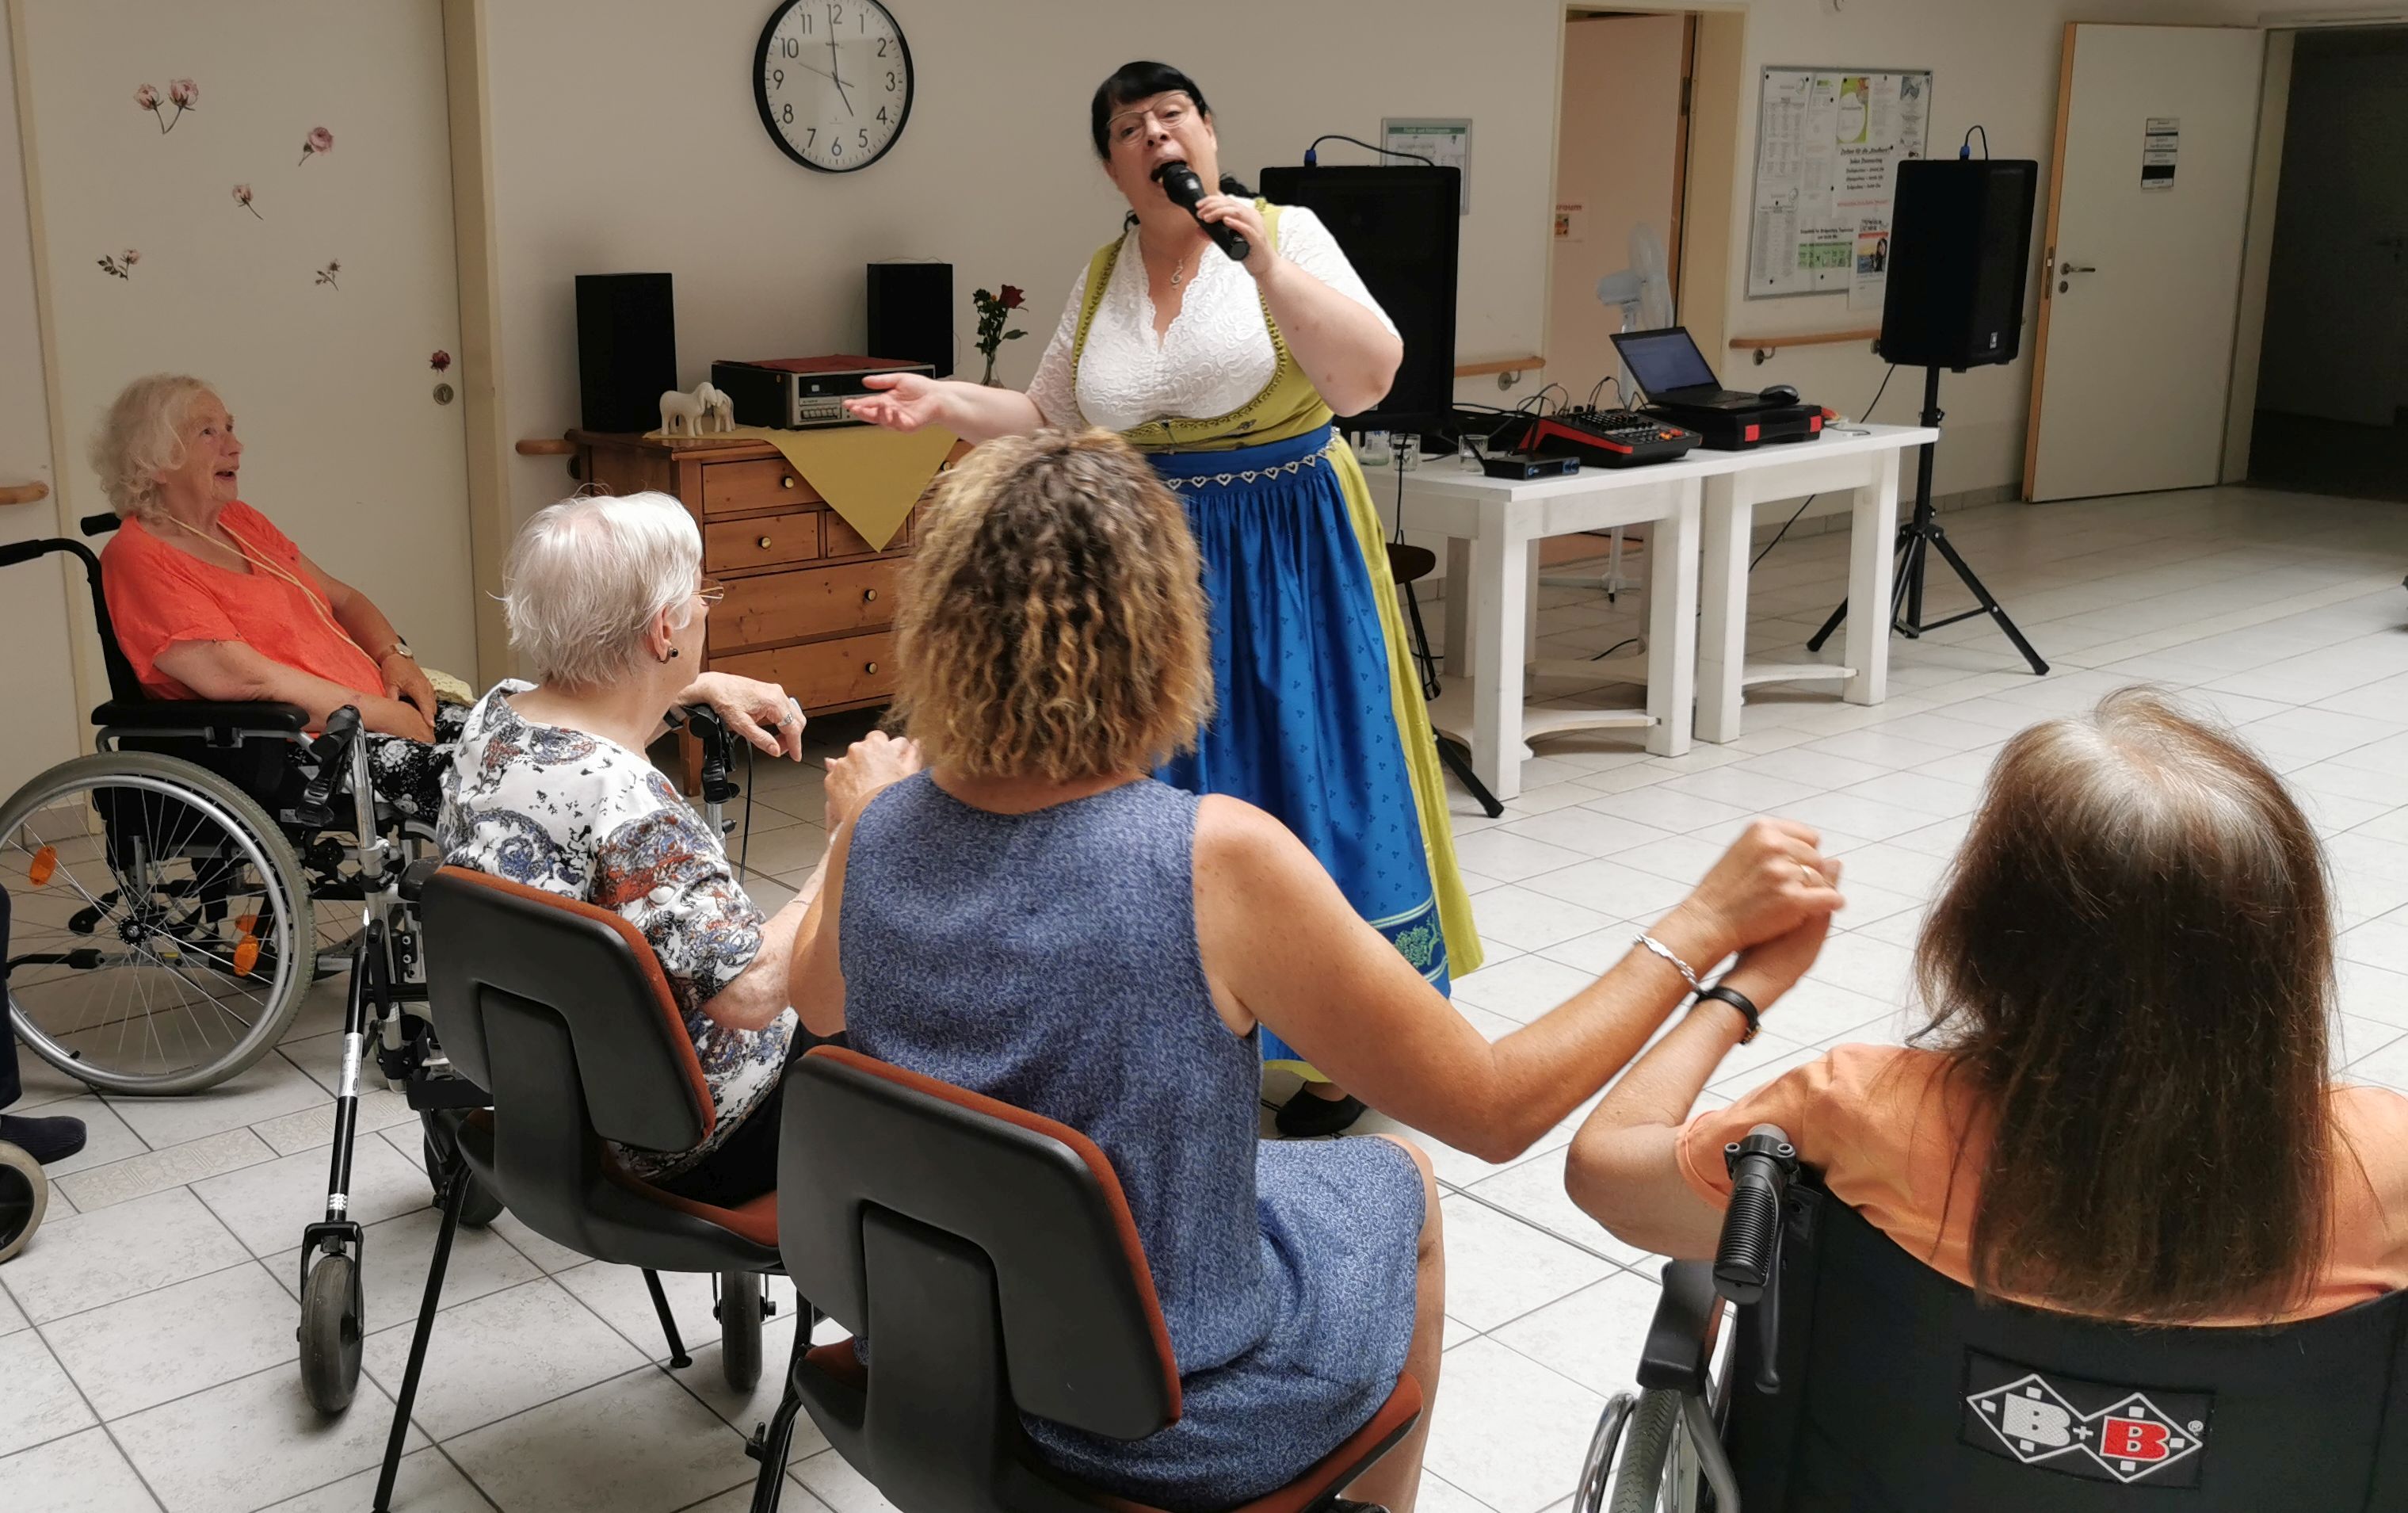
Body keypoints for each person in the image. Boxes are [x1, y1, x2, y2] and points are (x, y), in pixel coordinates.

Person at [788, 430, 1842, 1513]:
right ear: (1164, 628)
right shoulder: (1211, 859)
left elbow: (816, 1002)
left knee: (1315, 1177)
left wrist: (857, 828)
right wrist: (1702, 924)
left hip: (932, 1364)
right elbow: (1493, 1110)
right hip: (1164, 1418)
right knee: (1404, 1179)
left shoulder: (877, 830)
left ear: (938, 625)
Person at [845, 62, 1476, 1137]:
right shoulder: (1104, 274)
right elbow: (1048, 415)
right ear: (1112, 168)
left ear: (1209, 134)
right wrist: (940, 400)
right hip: (1148, 563)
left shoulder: (1284, 234)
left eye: (1171, 116)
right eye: (1129, 129)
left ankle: (1339, 1049)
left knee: (1304, 769)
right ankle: (1188, 1017)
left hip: (1286, 550)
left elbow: (1369, 378)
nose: (1154, 137)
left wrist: (1263, 263)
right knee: (1157, 785)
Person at [1568, 690, 2408, 1327]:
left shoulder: (1856, 1111)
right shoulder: (2385, 1159)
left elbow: (1605, 1174)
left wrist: (1739, 991)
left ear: (1980, 936)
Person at [438, 491, 830, 1205]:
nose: (707, 607)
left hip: (551, 1107)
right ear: (663, 629)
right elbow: (752, 994)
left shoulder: (495, 720)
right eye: (701, 593)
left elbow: (576, 762)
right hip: (710, 1138)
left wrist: (682, 689)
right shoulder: (631, 807)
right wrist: (848, 839)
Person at [93, 374, 460, 820]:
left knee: (525, 740)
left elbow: (342, 599)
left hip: (374, 710)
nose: (235, 446)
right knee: (504, 783)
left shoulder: (239, 521)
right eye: (208, 432)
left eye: (229, 428)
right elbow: (249, 680)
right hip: (306, 745)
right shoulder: (138, 558)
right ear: (152, 460)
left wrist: (395, 656)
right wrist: (386, 717)